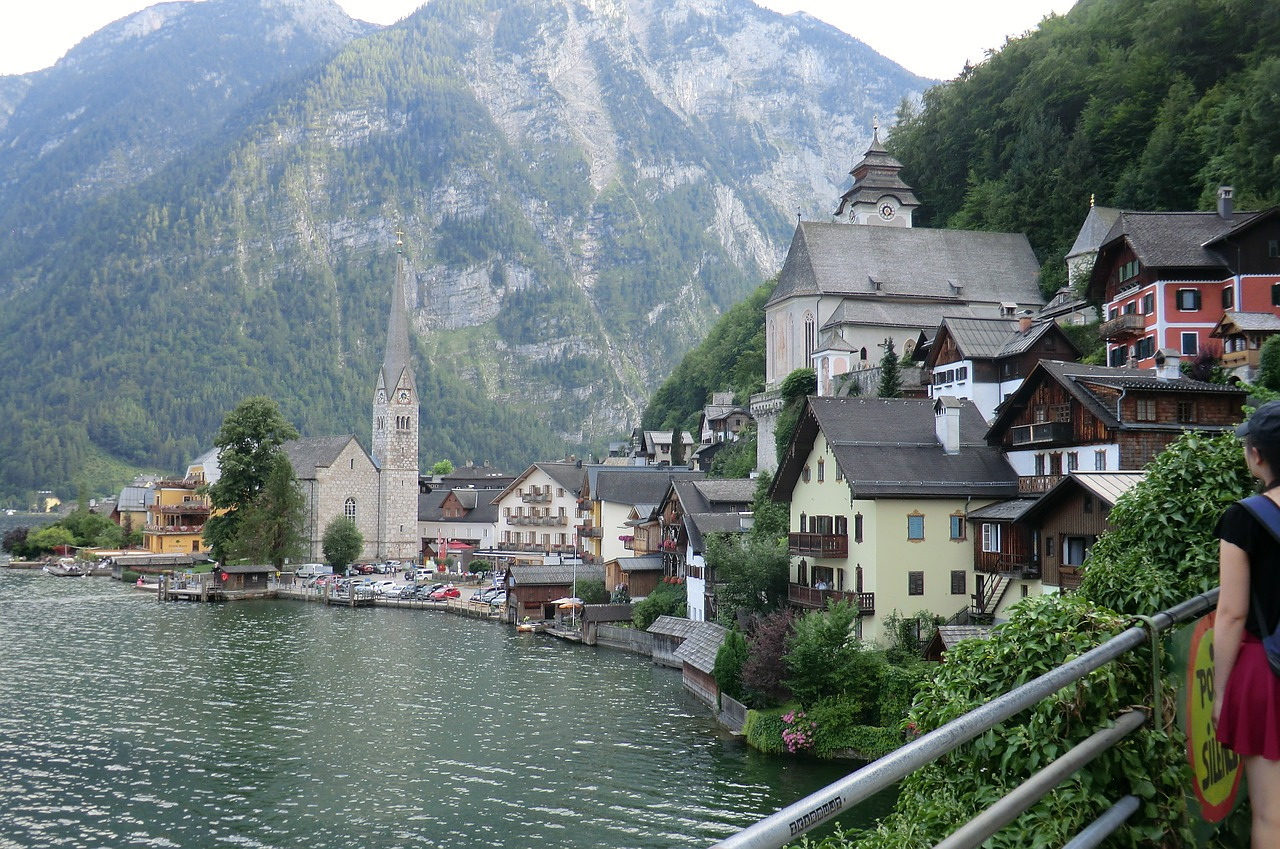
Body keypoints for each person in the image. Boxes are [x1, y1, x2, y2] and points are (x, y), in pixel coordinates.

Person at [1215, 399, 1280, 847]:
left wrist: (1221, 692)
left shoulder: (1244, 517)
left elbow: (1232, 613)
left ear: (1256, 454)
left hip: (1267, 673)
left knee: (1272, 816)